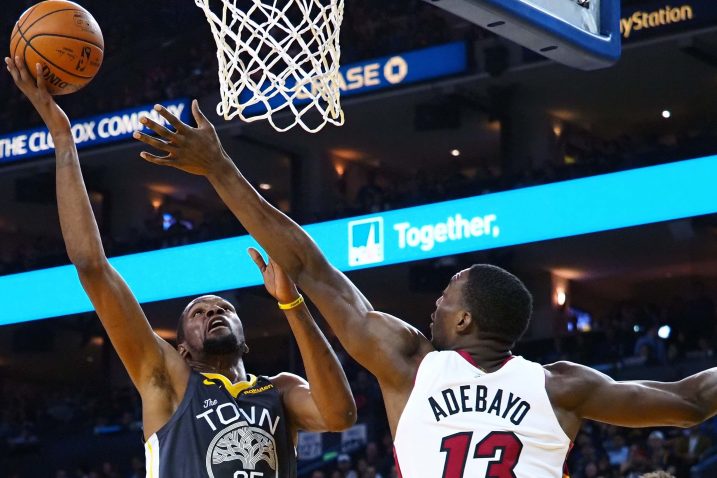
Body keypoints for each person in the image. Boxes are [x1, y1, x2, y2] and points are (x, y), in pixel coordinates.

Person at [134, 102, 717, 478]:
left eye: (445, 300)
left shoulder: (411, 364)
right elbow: (691, 402)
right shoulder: (563, 385)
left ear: (464, 322)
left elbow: (309, 268)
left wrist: (219, 169)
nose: (434, 306)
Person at [5, 57, 356, 478]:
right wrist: (63, 139)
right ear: (183, 349)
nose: (213, 312)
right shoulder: (169, 380)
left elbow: (339, 415)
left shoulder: (278, 391)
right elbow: (92, 268)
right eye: (198, 313)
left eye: (223, 308)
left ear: (246, 341)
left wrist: (293, 304)